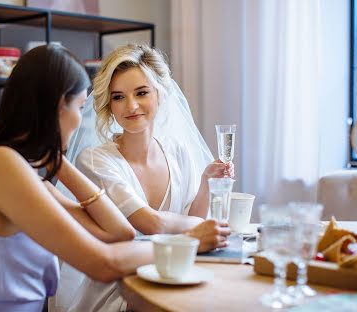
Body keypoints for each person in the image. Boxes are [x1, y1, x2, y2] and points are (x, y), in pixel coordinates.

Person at [0, 44, 228, 311]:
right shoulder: (2, 166)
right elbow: (103, 264)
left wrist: (57, 160)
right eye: (80, 106)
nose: (79, 120)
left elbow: (119, 232)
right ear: (59, 106)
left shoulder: (29, 174)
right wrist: (188, 242)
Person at [62, 44, 234, 312]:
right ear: (108, 104)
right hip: (121, 290)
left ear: (160, 95)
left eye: (141, 93)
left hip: (177, 277)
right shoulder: (96, 160)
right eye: (118, 97)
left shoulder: (178, 151)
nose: (131, 106)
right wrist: (199, 229)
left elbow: (193, 218)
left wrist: (205, 184)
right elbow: (149, 222)